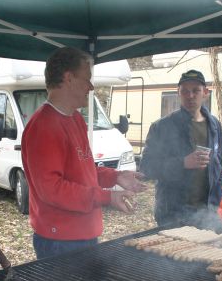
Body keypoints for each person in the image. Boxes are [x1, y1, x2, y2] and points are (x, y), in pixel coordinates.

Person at [21, 47, 146, 259]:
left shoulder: (75, 118)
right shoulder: (43, 126)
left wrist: (116, 177)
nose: (91, 86)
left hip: (84, 233)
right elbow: (52, 190)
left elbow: (83, 170)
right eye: (87, 79)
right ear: (68, 78)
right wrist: (107, 197)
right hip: (60, 241)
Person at [140, 69, 222, 227]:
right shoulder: (162, 127)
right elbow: (147, 167)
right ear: (178, 93)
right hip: (173, 214)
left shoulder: (214, 125)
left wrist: (217, 194)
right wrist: (183, 163)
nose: (190, 95)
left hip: (207, 212)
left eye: (196, 90)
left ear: (205, 93)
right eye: (185, 91)